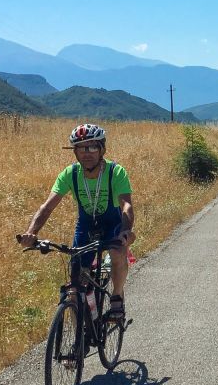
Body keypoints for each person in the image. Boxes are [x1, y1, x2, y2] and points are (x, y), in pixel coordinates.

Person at [19, 123, 136, 318]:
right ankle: (78, 339)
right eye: (81, 148)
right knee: (73, 288)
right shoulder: (70, 174)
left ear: (102, 149)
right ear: (75, 152)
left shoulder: (115, 172)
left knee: (117, 251)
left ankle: (117, 297)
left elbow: (126, 206)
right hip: (86, 227)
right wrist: (31, 232)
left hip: (113, 225)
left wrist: (126, 231)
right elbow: (47, 206)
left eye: (92, 147)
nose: (86, 153)